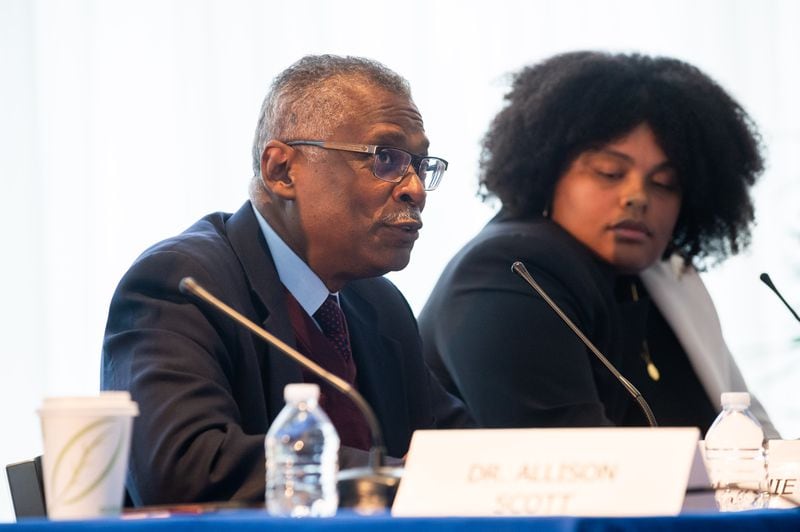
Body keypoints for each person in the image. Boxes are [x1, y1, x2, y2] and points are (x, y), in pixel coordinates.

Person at [102, 54, 471, 506]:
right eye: (386, 158)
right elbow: (183, 467)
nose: (414, 189)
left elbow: (454, 447)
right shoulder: (183, 285)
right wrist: (390, 477)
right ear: (281, 171)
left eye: (419, 163)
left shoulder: (378, 305)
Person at [420, 51, 778, 437]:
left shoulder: (667, 277)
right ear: (547, 171)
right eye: (610, 172)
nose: (637, 196)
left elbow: (749, 434)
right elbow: (575, 462)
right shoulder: (509, 271)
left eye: (663, 183)